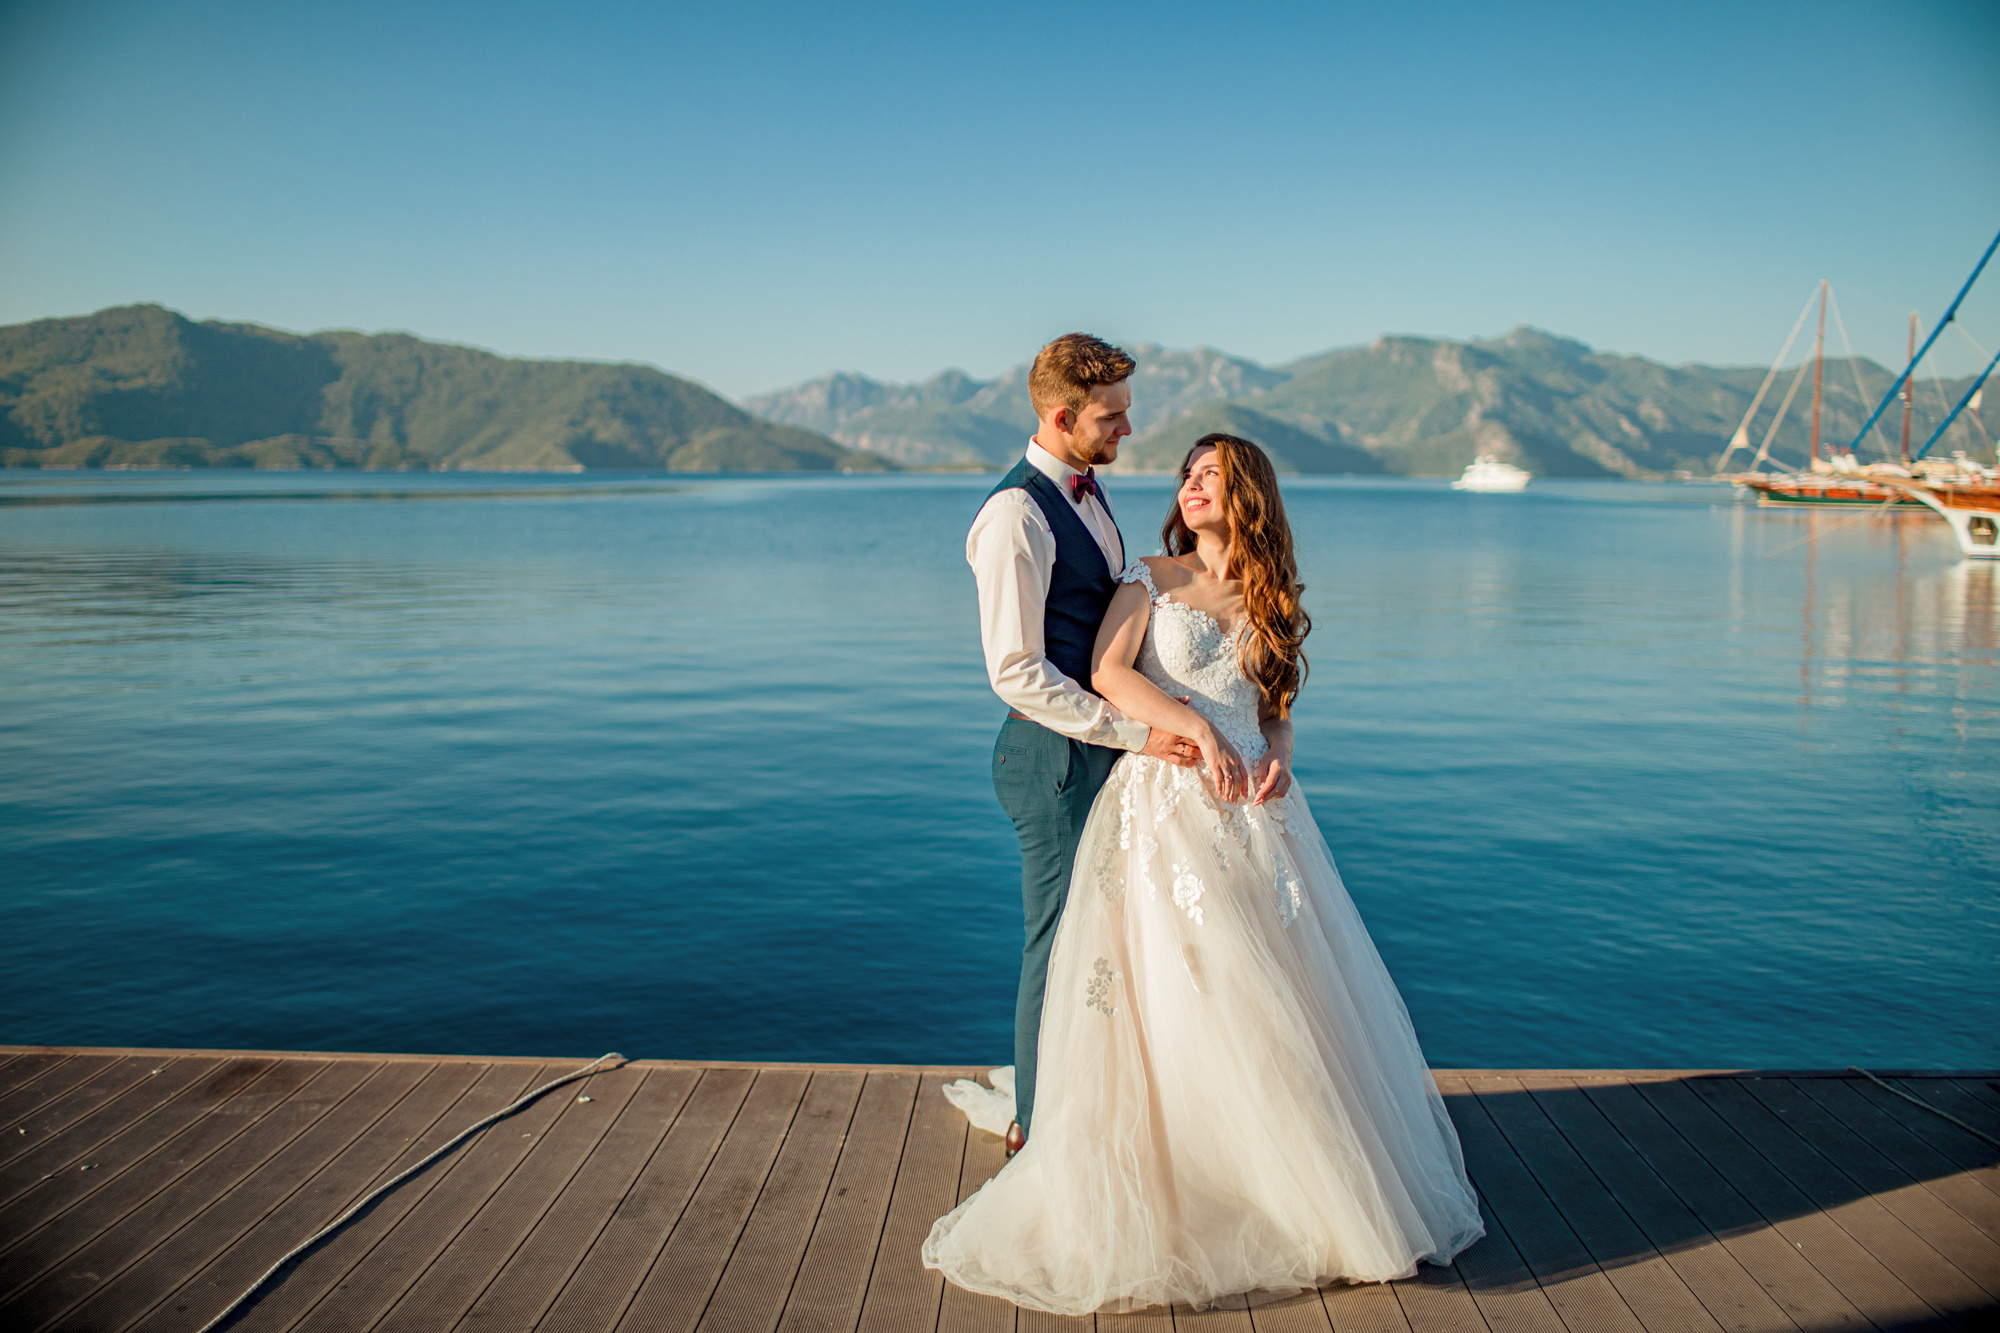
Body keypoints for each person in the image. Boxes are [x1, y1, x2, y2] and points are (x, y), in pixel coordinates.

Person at [927, 434, 1485, 1314]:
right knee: (1189, 984)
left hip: (1260, 814)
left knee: (1277, 993)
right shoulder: (1151, 576)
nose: (1190, 486)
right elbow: (1110, 674)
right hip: (1167, 808)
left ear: (1248, 493)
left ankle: (1292, 1173)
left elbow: (1276, 705)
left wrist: (1282, 751)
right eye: (1186, 475)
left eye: (1210, 475)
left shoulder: (1270, 594)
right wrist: (1197, 729)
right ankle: (1187, 1168)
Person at [963, 333, 1201, 1155]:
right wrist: (1137, 730)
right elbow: (1016, 671)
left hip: (1095, 749)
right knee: (1057, 942)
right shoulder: (1014, 515)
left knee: (1101, 936)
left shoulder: (1087, 495)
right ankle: (1036, 1126)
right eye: (1113, 416)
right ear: (1063, 416)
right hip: (1050, 759)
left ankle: (1087, 1097)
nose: (1128, 429)